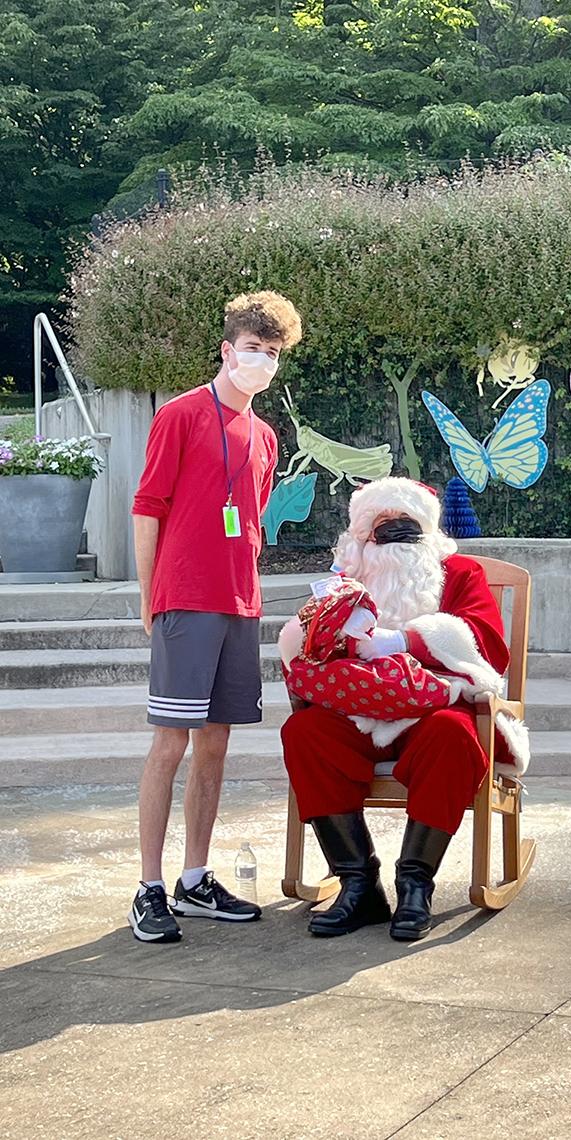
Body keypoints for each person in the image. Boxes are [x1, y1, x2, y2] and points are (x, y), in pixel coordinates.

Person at [279, 477, 529, 942]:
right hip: (358, 710)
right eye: (380, 524)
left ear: (427, 528)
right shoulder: (346, 578)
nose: (393, 532)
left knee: (454, 738)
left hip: (435, 706)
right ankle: (359, 884)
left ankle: (416, 882)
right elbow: (311, 645)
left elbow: (487, 646)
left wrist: (407, 640)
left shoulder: (460, 574)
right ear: (360, 535)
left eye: (405, 523)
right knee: (305, 731)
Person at [128, 290, 302, 943]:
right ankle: (148, 888)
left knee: (216, 745)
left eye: (272, 352)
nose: (260, 360)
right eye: (252, 348)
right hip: (185, 598)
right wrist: (149, 597)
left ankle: (193, 877)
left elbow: (247, 522)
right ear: (227, 350)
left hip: (239, 604)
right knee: (171, 742)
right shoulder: (179, 415)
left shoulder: (264, 435)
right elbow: (148, 508)